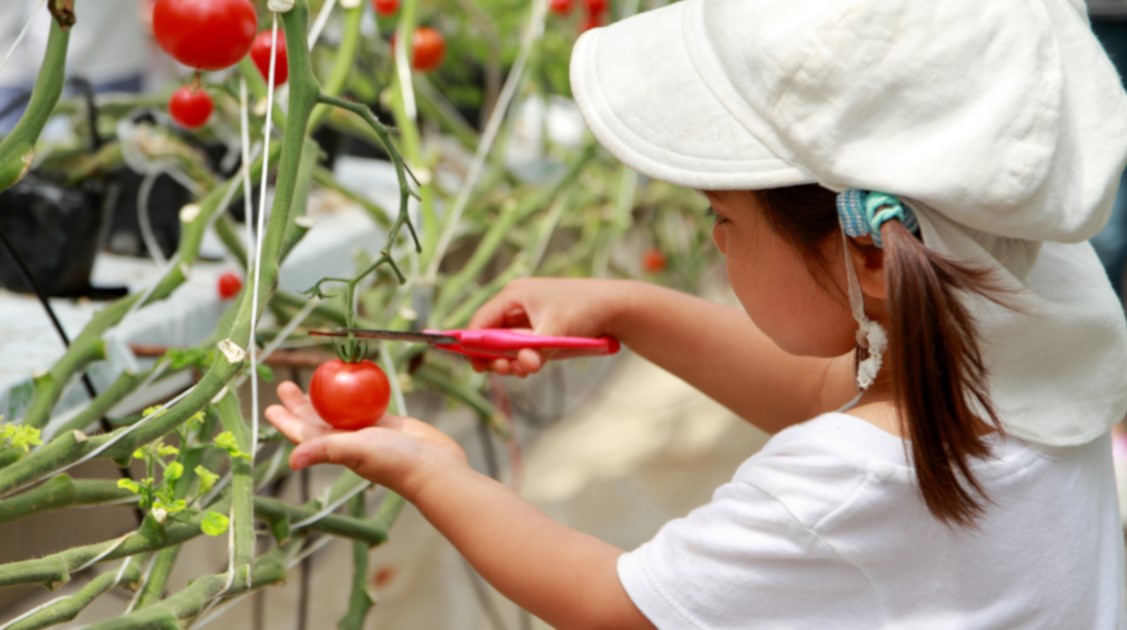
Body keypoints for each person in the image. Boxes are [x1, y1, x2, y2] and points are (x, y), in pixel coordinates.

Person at [266, 0, 1127, 627]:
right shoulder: (1032, 316)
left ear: (866, 250)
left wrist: (433, 473)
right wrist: (631, 308)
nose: (715, 242)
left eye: (722, 221)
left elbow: (612, 601)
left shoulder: (837, 489)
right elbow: (829, 390)